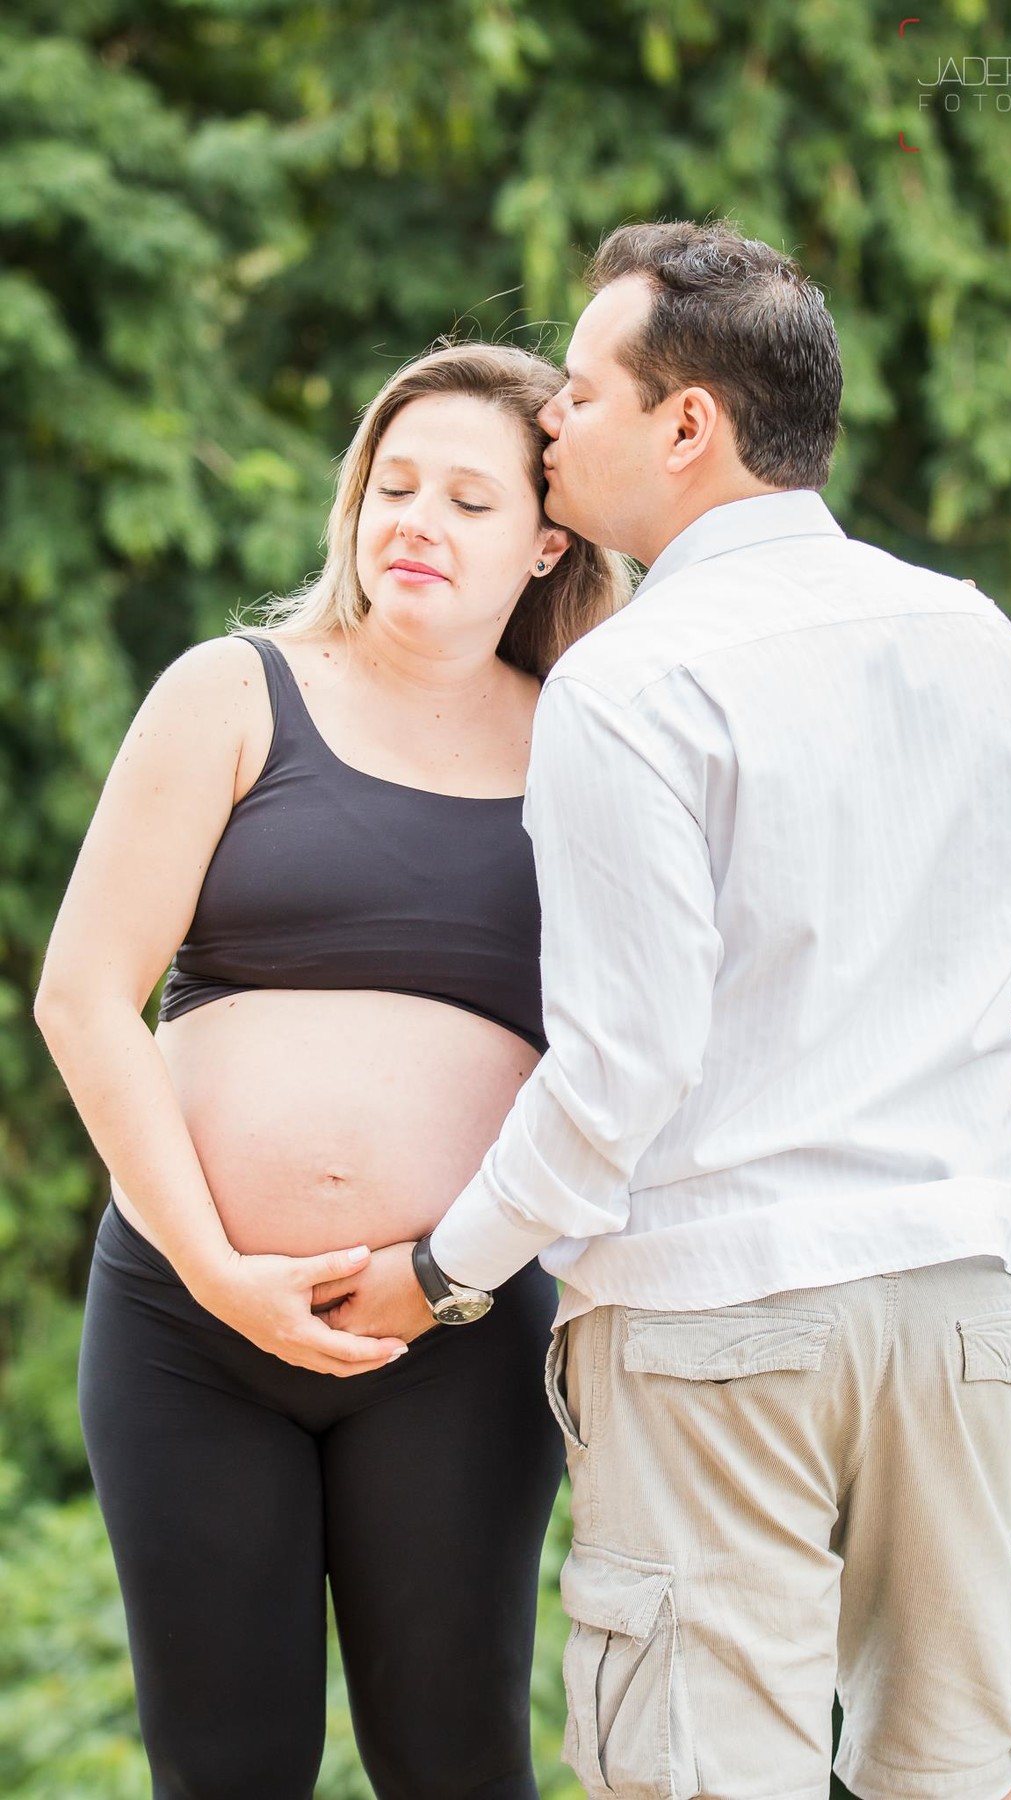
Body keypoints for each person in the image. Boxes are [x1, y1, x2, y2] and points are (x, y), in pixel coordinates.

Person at [371, 223, 1011, 1800]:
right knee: (955, 1771)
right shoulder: (977, 634)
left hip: (717, 1314)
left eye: (578, 392)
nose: (551, 420)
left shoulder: (631, 686)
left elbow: (621, 1073)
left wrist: (443, 1270)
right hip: (958, 1306)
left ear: (685, 425)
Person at [34, 342, 630, 1800]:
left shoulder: (591, 745)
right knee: (225, 1766)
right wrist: (216, 1267)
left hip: (457, 1332)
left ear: (546, 537)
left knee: (455, 1760)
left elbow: (629, 1047)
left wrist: (448, 1270)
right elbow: (83, 998)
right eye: (393, 483)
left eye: (468, 500)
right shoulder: (231, 691)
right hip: (190, 1325)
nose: (415, 520)